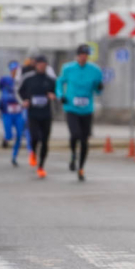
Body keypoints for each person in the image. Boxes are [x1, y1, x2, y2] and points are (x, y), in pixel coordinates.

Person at [56, 45, 103, 182]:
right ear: (77, 55)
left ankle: (81, 168)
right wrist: (61, 95)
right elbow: (59, 82)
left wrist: (100, 88)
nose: (84, 57)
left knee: (84, 140)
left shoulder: (95, 70)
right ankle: (72, 155)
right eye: (81, 54)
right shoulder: (68, 68)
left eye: (86, 54)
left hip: (87, 110)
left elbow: (98, 89)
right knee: (75, 134)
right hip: (71, 108)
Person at [18, 56, 57, 179]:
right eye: (39, 64)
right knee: (35, 137)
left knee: (45, 141)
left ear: (46, 65)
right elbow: (19, 91)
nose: (41, 66)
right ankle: (33, 152)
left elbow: (57, 92)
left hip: (46, 114)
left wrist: (53, 96)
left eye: (43, 63)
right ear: (35, 65)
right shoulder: (28, 78)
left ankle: (41, 167)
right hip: (33, 114)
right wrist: (24, 101)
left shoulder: (50, 80)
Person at [0, 61, 25, 167]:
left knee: (19, 135)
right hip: (7, 112)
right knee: (9, 135)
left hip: (19, 113)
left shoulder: (22, 81)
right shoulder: (4, 80)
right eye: (13, 70)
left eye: (17, 70)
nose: (15, 72)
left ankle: (14, 157)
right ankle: (6, 138)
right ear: (10, 70)